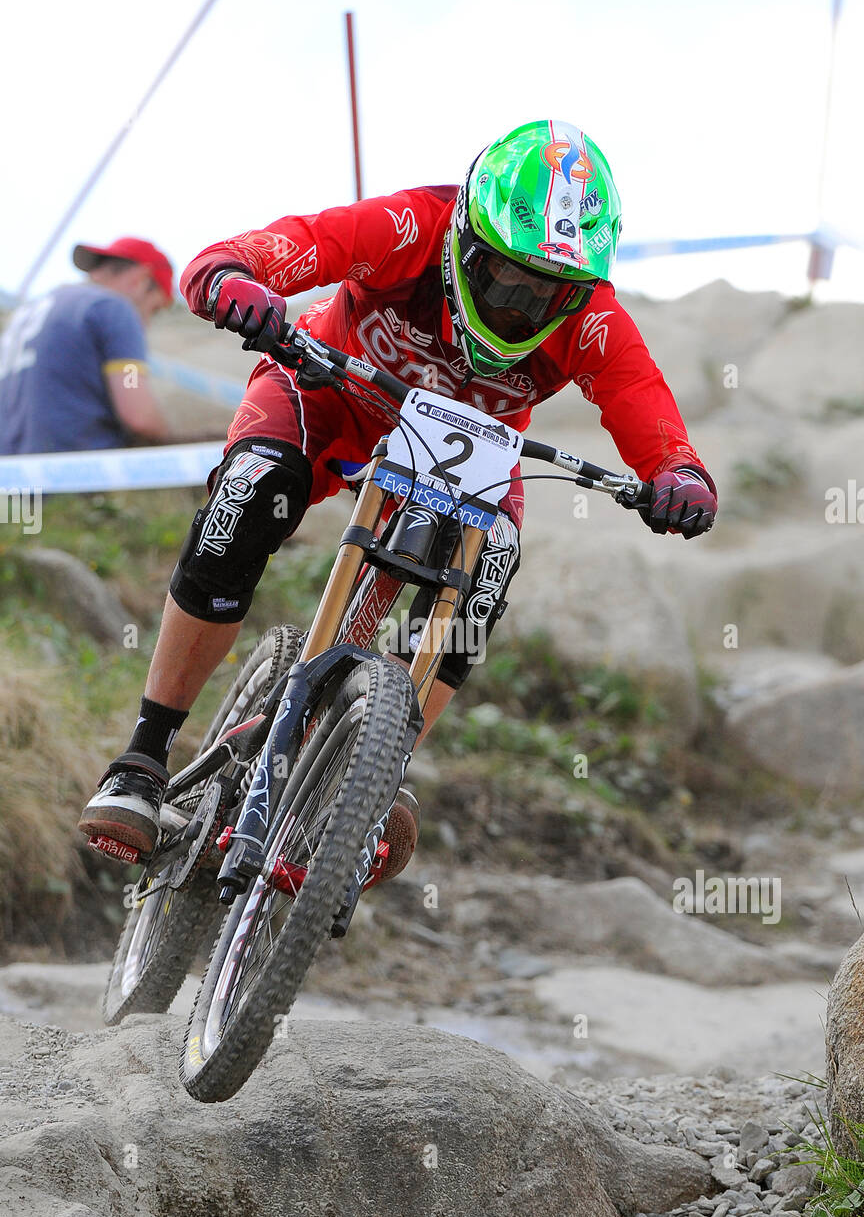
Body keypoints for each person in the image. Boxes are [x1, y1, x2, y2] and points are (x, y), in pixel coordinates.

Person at [78, 120, 717, 884]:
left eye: (547, 295)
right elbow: (259, 251)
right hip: (331, 394)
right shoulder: (409, 224)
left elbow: (642, 401)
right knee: (248, 493)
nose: (520, 306)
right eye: (505, 280)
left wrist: (679, 474)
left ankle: (372, 780)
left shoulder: (595, 318)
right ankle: (142, 760)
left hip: (470, 454)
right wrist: (234, 282)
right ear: (465, 242)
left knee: (493, 566)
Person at [0, 236, 174, 456]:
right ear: (141, 280)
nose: (147, 323)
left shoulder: (25, 314)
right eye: (154, 309)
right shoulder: (114, 308)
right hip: (72, 476)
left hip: (13, 478)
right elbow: (139, 416)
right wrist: (170, 439)